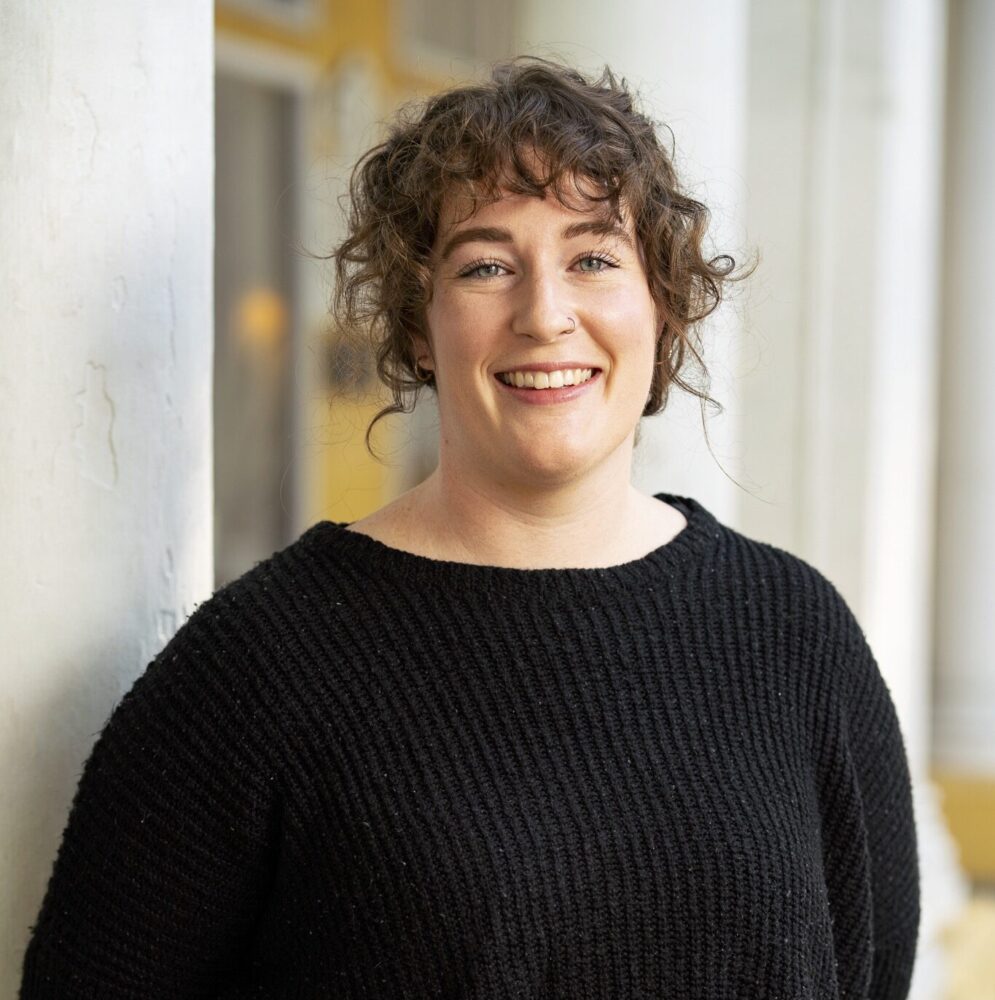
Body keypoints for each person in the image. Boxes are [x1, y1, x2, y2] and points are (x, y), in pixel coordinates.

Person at [20, 58, 919, 999]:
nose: (544, 314)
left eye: (593, 259)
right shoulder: (258, 669)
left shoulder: (792, 635)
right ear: (419, 326)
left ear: (659, 306)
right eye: (487, 265)